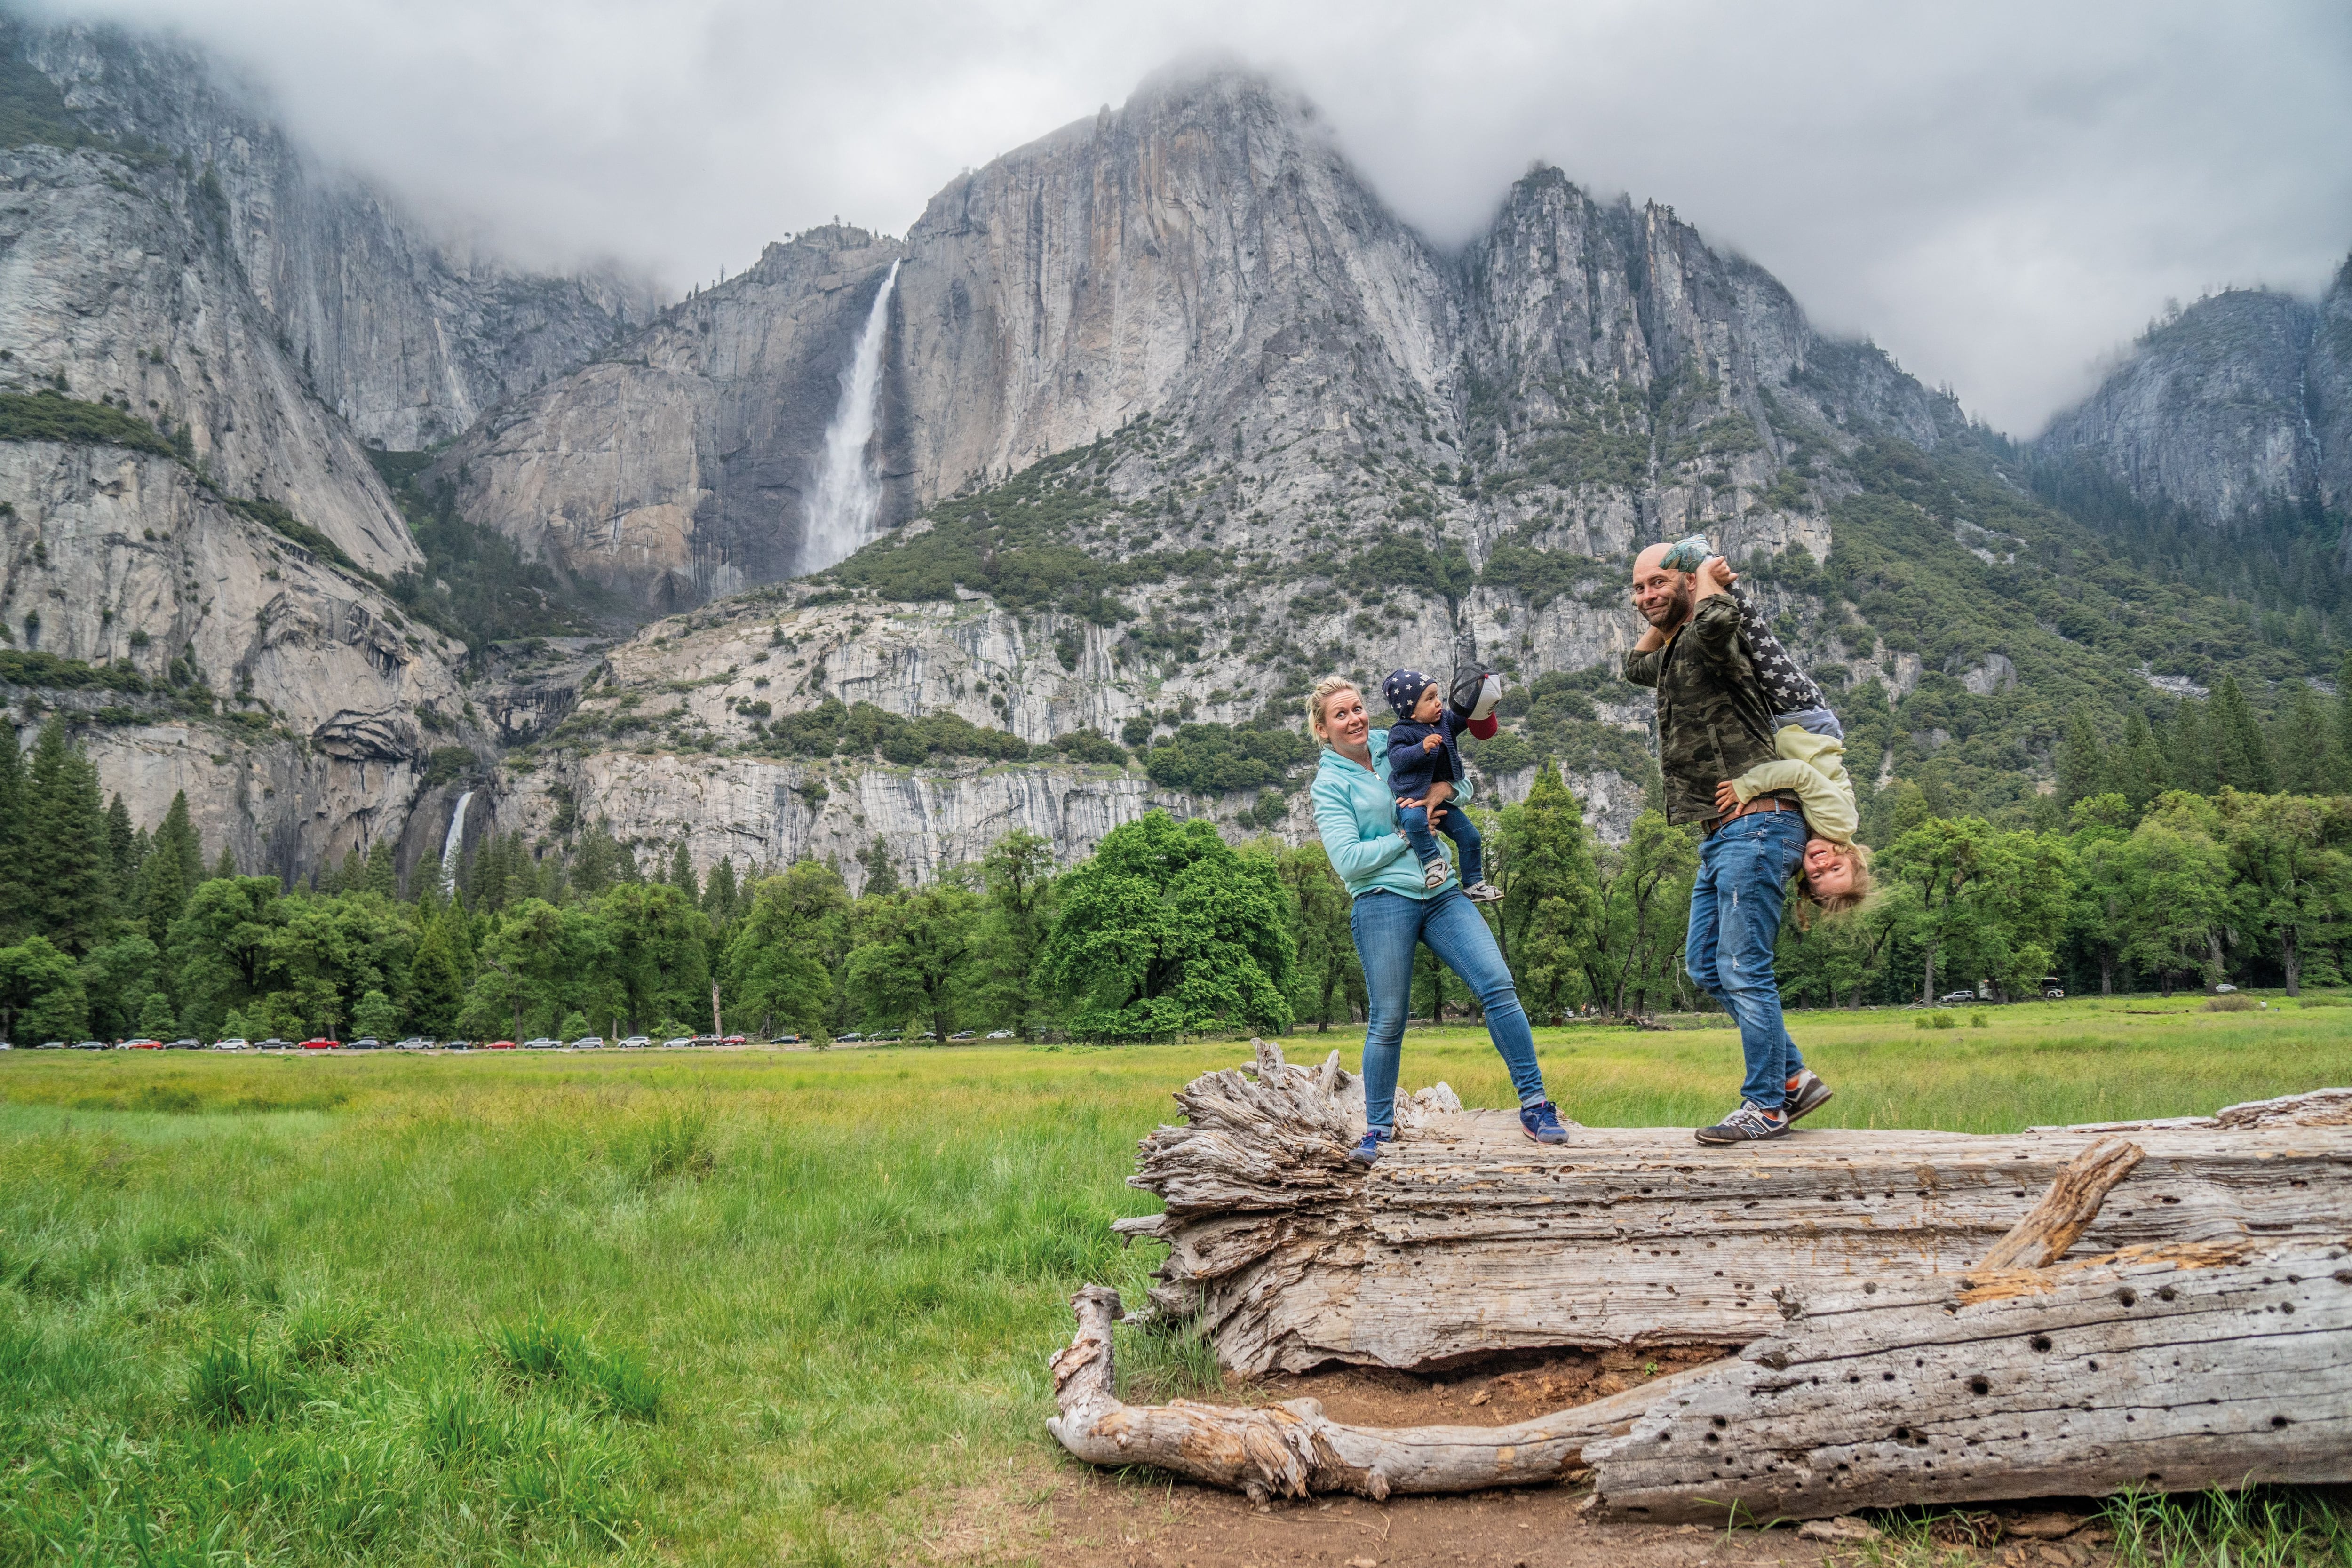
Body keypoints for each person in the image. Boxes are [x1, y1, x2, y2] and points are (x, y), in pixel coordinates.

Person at [1306, 675, 1570, 1163]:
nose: (1354, 719)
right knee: (1387, 1019)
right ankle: (1377, 1129)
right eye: (1340, 715)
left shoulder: (1397, 740)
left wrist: (1436, 797)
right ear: (1323, 730)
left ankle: (1535, 1105)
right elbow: (1348, 861)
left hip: (1441, 892)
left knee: (1497, 986)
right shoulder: (1328, 786)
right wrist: (1408, 837)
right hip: (1382, 899)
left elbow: (1461, 783)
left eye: (1358, 708)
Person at [1624, 539, 1834, 1144]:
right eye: (1637, 589)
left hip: (1760, 825)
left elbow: (1718, 617)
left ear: (1686, 581)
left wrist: (1708, 578)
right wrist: (1667, 611)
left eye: (1656, 583)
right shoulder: (1675, 648)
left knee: (1744, 967)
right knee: (1705, 963)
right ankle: (1792, 1078)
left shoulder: (1717, 633)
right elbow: (1633, 668)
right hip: (1722, 835)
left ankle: (1766, 1106)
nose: (1645, 598)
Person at [1695, 557, 1875, 916]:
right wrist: (1747, 787)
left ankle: (1707, 588)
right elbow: (1800, 774)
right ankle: (1716, 575)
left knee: (1739, 655)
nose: (1821, 865)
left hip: (1785, 726)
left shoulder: (1812, 834)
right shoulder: (1840, 824)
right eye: (1835, 869)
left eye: (1818, 876)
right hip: (1803, 716)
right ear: (1853, 856)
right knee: (1759, 644)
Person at [1381, 668, 1503, 902]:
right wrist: (1422, 748)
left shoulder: (1445, 720)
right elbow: (1397, 759)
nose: (1439, 703)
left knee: (1471, 836)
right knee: (1415, 822)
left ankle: (1474, 883)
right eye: (1430, 699)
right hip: (1412, 798)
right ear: (1411, 712)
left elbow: (1466, 715)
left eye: (1437, 696)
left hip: (1442, 798)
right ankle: (1433, 863)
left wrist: (1480, 692)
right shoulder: (1400, 731)